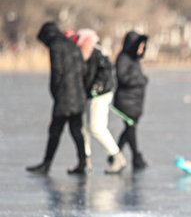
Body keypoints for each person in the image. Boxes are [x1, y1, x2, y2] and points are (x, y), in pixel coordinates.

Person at [26, 22, 88, 175]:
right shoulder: (73, 45)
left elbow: (57, 73)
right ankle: (83, 162)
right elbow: (84, 70)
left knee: (55, 131)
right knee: (76, 131)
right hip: (79, 96)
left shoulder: (56, 46)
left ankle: (46, 165)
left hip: (64, 97)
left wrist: (55, 93)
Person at [76, 29, 127, 174]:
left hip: (100, 96)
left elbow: (106, 72)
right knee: (83, 128)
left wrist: (97, 87)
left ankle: (117, 157)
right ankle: (85, 160)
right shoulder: (83, 53)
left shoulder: (97, 53)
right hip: (88, 96)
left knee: (97, 128)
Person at [113, 30, 149, 170]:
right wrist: (140, 80)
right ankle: (136, 157)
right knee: (131, 128)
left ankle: (115, 153)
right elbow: (122, 77)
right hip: (126, 101)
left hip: (136, 101)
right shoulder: (123, 58)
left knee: (129, 128)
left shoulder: (135, 59)